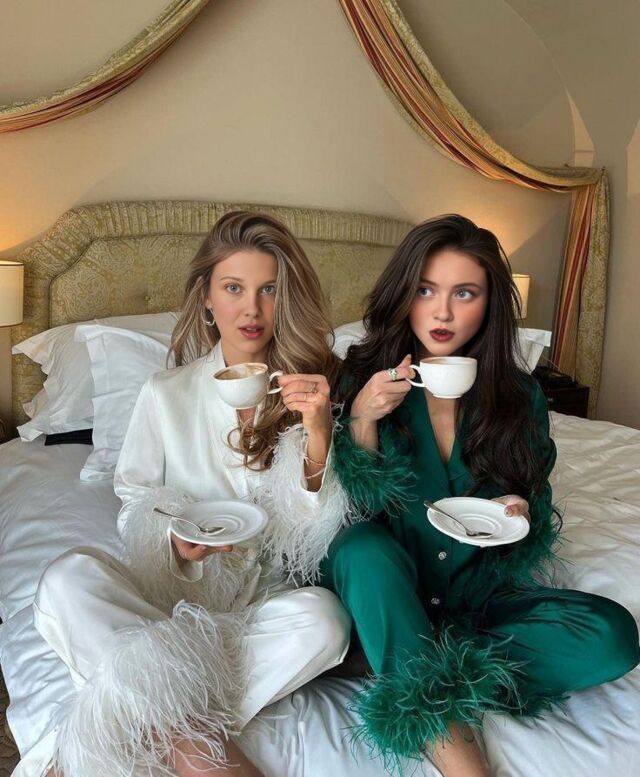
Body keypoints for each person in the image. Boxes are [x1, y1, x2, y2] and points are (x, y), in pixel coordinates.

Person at [34, 211, 352, 777]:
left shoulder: (314, 394)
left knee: (325, 620)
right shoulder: (166, 392)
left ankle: (130, 723)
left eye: (269, 290)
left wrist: (320, 434)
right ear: (207, 298)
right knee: (67, 577)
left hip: (259, 604)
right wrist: (173, 540)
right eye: (233, 288)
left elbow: (313, 533)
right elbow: (135, 496)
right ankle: (197, 749)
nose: (251, 309)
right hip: (169, 594)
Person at [321, 214, 640, 776]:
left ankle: (404, 659)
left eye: (464, 293)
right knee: (361, 548)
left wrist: (521, 510)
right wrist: (364, 419)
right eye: (426, 290)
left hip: (476, 601)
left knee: (612, 636)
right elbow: (340, 513)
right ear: (404, 294)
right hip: (386, 581)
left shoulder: (519, 396)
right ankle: (455, 747)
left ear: (489, 303)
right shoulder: (361, 380)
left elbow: (532, 496)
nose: (442, 313)